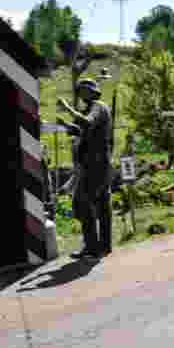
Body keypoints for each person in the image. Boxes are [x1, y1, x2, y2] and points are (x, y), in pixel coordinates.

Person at [58, 78, 114, 259]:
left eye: (83, 91)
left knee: (82, 203)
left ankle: (91, 247)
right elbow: (83, 130)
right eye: (79, 91)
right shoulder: (94, 108)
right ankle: (104, 246)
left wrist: (67, 108)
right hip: (101, 164)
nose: (81, 95)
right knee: (103, 205)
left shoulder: (98, 106)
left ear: (92, 92)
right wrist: (67, 126)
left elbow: (87, 123)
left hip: (95, 165)